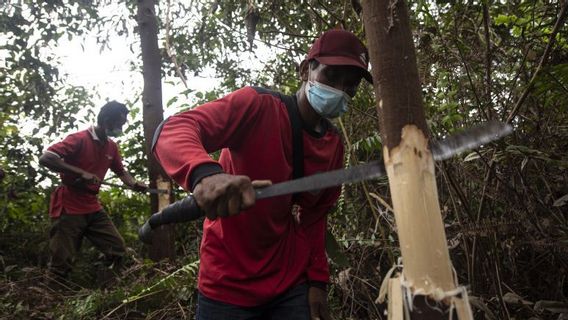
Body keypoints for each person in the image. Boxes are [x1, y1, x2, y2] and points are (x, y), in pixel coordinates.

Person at [153, 29, 372, 319]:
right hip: (226, 284)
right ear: (306, 70)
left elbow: (315, 217)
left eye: (350, 86)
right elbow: (174, 129)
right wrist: (205, 174)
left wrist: (318, 281)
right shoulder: (257, 106)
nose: (340, 91)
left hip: (289, 285)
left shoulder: (333, 146)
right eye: (332, 77)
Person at [39, 101, 147, 284]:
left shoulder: (111, 147)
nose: (121, 128)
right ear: (106, 121)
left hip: (92, 206)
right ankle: (51, 299)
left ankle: (106, 287)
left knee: (117, 248)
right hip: (69, 205)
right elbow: (46, 157)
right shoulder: (79, 139)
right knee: (62, 260)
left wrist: (134, 184)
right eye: (119, 124)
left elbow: (121, 172)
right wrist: (80, 172)